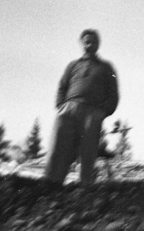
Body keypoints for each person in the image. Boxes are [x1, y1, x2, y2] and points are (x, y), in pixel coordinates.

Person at [45, 29, 120, 185]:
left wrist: (103, 112)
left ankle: (84, 188)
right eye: (86, 41)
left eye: (93, 41)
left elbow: (113, 93)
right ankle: (51, 186)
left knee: (87, 151)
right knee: (58, 147)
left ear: (98, 44)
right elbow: (62, 86)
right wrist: (61, 106)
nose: (89, 44)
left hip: (92, 111)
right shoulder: (73, 65)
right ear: (81, 43)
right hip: (69, 108)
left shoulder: (106, 67)